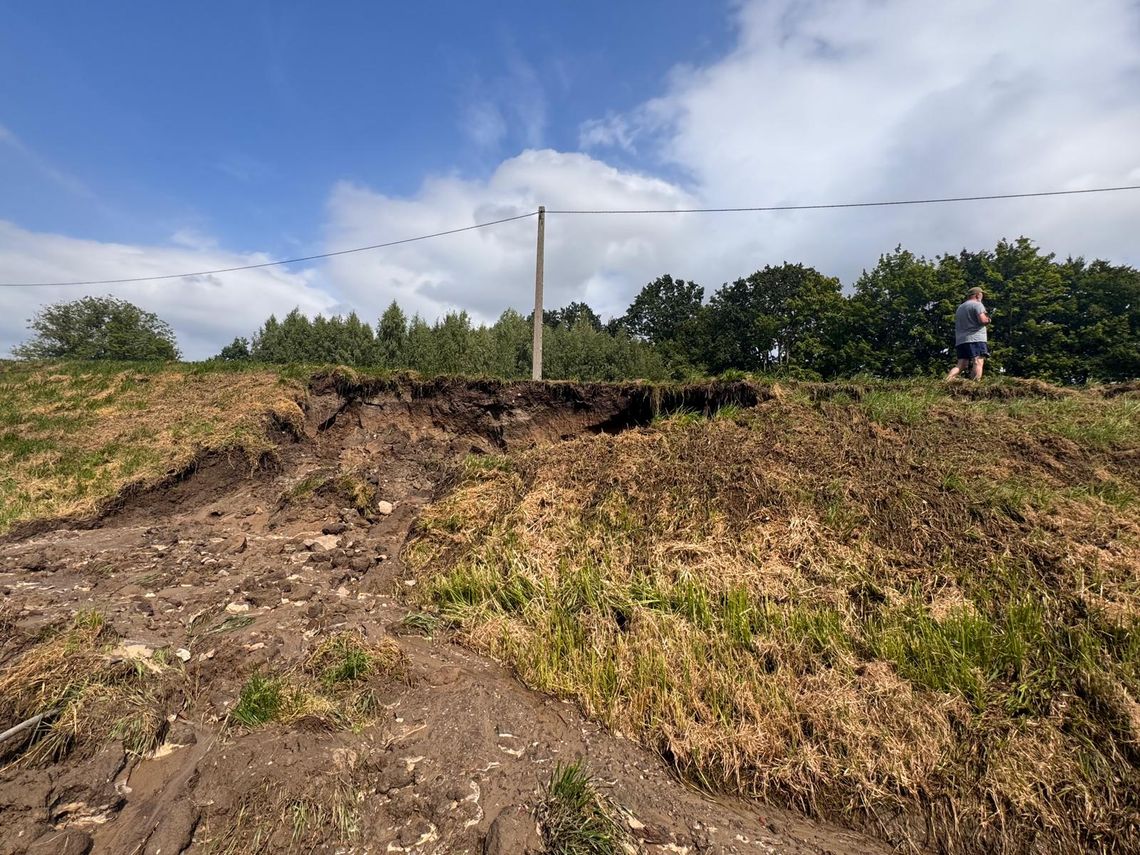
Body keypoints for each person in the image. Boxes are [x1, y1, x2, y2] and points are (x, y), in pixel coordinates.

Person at [946, 287, 991, 381]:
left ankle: (947, 380)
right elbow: (983, 320)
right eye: (982, 295)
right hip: (975, 338)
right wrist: (988, 320)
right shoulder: (977, 304)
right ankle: (975, 385)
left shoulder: (960, 307)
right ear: (978, 295)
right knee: (978, 361)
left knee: (961, 364)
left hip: (961, 340)